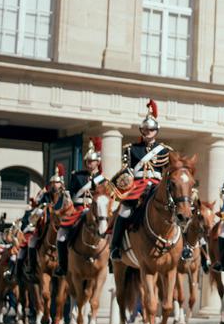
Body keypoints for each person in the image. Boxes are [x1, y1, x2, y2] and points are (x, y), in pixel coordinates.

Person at [110, 100, 171, 261]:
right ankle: (115, 247)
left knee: (175, 211)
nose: (148, 132)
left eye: (151, 130)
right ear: (141, 131)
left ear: (156, 131)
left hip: (156, 185)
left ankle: (184, 248)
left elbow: (167, 173)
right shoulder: (132, 149)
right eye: (145, 130)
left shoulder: (164, 150)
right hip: (137, 186)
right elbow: (127, 171)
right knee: (124, 211)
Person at [54, 141, 105, 277]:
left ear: (98, 162)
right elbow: (69, 193)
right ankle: (63, 266)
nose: (89, 164)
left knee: (107, 230)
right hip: (78, 210)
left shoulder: (102, 180)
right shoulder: (78, 176)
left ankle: (110, 259)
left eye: (92, 161)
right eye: (87, 161)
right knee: (61, 234)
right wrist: (66, 201)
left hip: (96, 211)